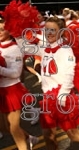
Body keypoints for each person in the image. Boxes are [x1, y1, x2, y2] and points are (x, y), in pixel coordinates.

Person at [17, 17, 79, 149]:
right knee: (48, 135)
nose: (49, 32)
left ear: (61, 31)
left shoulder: (66, 50)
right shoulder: (44, 47)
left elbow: (70, 74)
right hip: (48, 98)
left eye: (53, 30)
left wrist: (63, 95)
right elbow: (25, 49)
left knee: (73, 134)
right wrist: (17, 34)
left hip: (63, 98)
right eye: (46, 29)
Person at [0, 18, 38, 149]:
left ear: (10, 32)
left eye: (2, 30)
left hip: (12, 90)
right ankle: (30, 137)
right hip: (1, 92)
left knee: (14, 129)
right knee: (4, 127)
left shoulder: (15, 49)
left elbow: (16, 73)